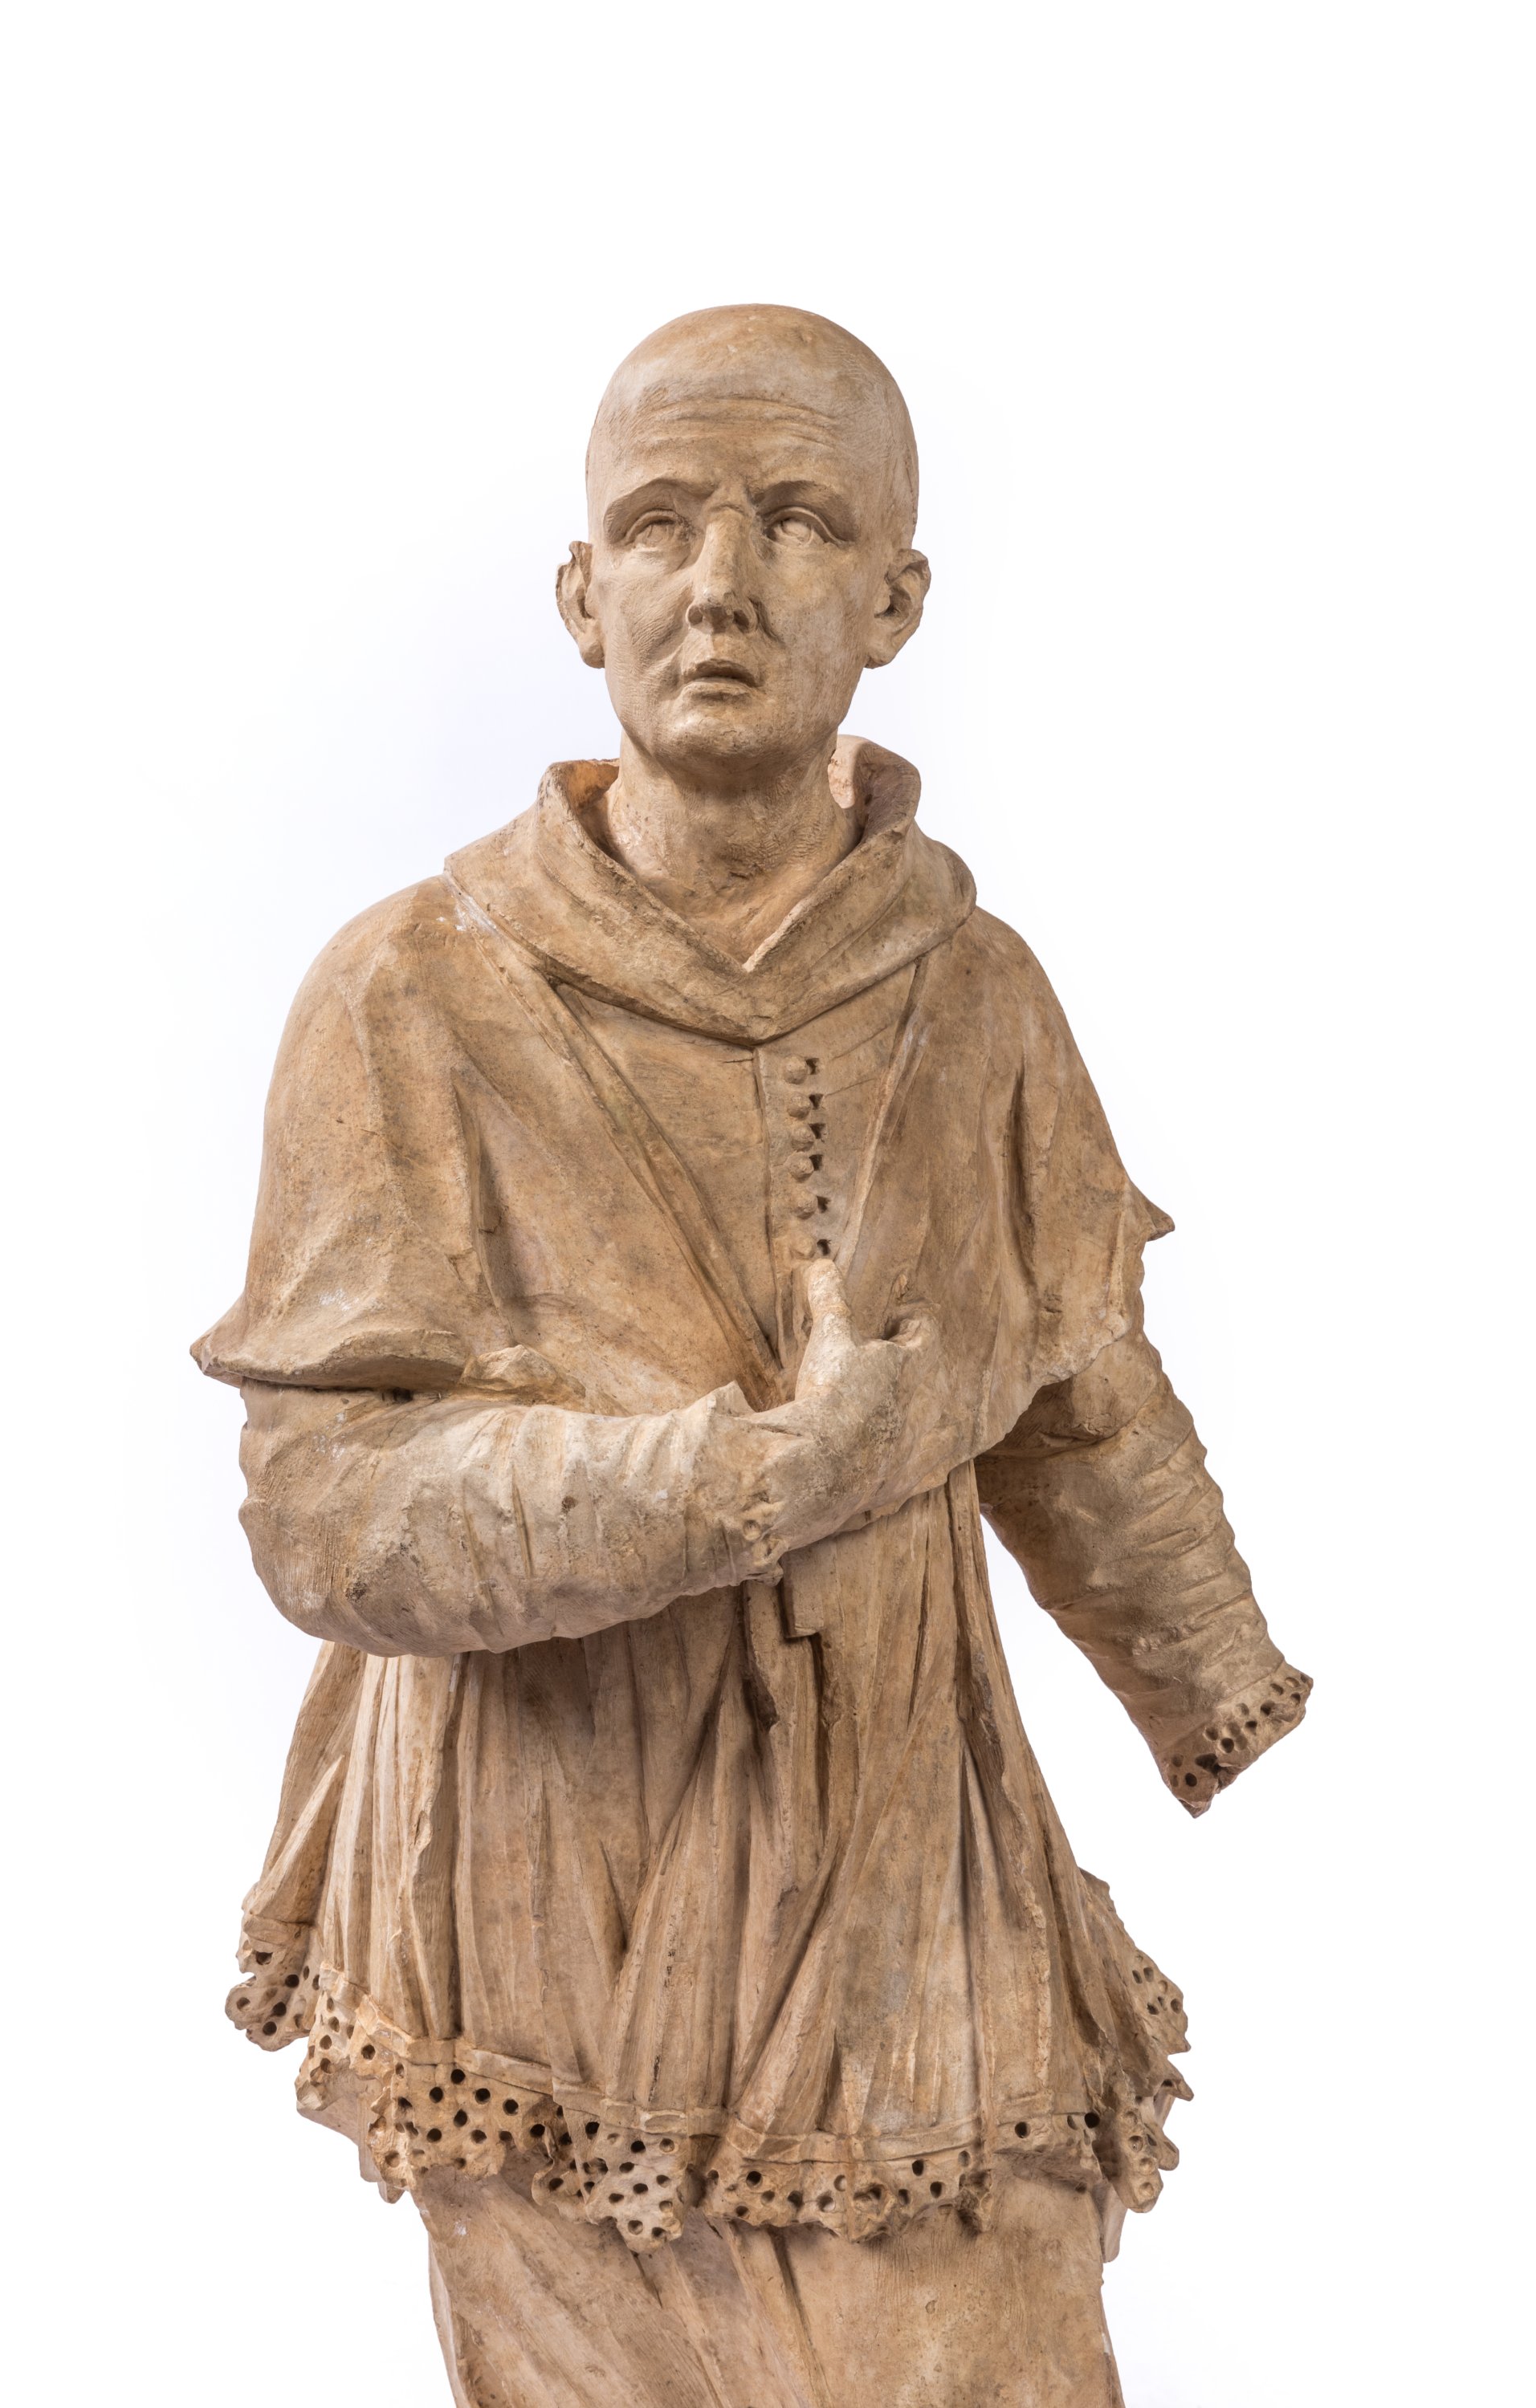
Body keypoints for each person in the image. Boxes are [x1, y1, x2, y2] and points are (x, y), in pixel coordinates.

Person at [196, 304, 1310, 2406]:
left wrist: (1214, 1684)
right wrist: (748, 1478)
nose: (719, 581)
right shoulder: (410, 994)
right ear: (580, 595)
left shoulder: (974, 991)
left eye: (795, 521)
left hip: (901, 1854)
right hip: (544, 1890)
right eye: (660, 524)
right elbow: (325, 1513)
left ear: (895, 598)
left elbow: (1076, 1388)